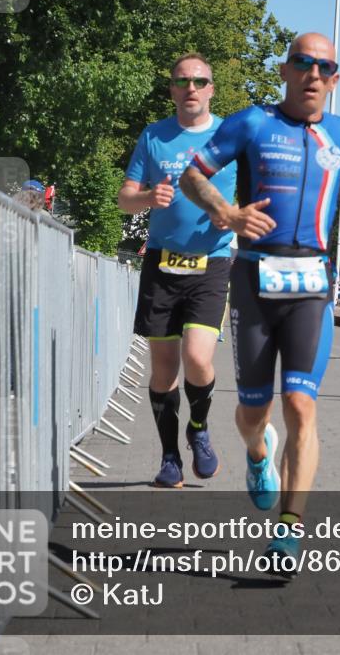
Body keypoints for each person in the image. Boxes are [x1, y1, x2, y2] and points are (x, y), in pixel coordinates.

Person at [181, 32, 340, 575]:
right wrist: (229, 213)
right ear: (285, 70)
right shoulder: (251, 123)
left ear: (335, 80)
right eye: (303, 63)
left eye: (325, 68)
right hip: (253, 278)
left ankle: (289, 531)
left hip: (312, 282)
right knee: (253, 412)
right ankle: (258, 453)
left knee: (302, 405)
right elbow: (194, 176)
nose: (313, 74)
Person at [118, 53, 237, 488]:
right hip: (162, 265)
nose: (191, 88)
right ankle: (170, 459)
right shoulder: (154, 137)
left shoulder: (229, 137)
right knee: (164, 370)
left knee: (198, 359)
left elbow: (257, 195)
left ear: (211, 89)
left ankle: (199, 430)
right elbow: (124, 197)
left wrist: (233, 214)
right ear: (171, 88)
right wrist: (148, 198)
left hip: (211, 263)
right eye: (182, 81)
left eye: (199, 81)